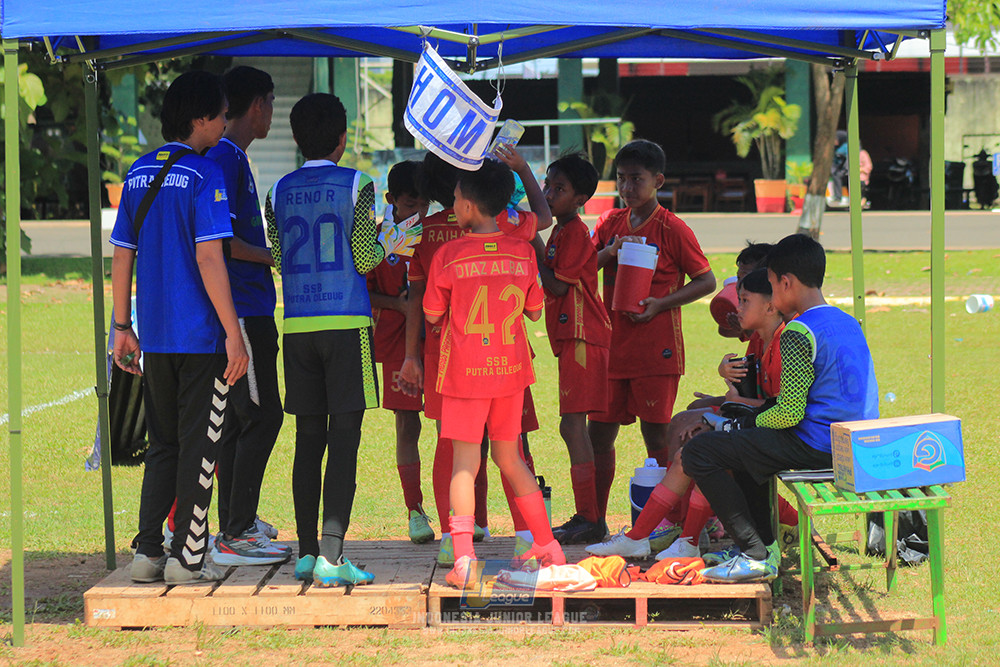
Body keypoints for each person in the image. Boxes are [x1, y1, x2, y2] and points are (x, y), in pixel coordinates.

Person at [265, 93, 410, 587]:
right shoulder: (359, 184)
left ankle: (307, 552)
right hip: (346, 324)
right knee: (344, 440)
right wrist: (390, 240)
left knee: (307, 440)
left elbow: (281, 259)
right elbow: (366, 259)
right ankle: (332, 554)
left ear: (296, 136)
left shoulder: (277, 190)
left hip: (298, 325)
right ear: (343, 136)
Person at [114, 70, 249, 584]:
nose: (225, 122)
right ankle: (187, 558)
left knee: (164, 444)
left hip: (156, 337)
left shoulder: (136, 173)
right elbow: (210, 257)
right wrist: (233, 333)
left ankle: (148, 552)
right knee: (201, 446)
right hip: (200, 337)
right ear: (200, 119)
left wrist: (121, 326)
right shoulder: (204, 172)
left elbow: (121, 252)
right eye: (221, 113)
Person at [682, 233, 879, 582]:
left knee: (700, 452)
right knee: (744, 445)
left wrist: (738, 424)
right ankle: (764, 546)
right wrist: (746, 422)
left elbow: (788, 413)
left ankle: (756, 553)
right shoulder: (846, 321)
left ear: (785, 283)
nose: (772, 294)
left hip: (819, 446)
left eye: (771, 286)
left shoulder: (798, 332)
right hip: (855, 442)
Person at [421, 159, 564, 588]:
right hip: (511, 372)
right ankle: (546, 545)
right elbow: (535, 309)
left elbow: (432, 313)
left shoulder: (447, 254)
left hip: (466, 374)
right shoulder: (522, 251)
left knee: (465, 464)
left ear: (465, 206)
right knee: (510, 458)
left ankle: (463, 558)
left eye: (456, 198)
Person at [586, 268, 788, 560]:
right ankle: (654, 537)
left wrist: (726, 413)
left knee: (701, 454)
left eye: (744, 301)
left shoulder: (785, 342)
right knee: (691, 448)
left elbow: (782, 410)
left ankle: (682, 538)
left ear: (771, 305)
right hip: (758, 427)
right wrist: (724, 408)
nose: (737, 307)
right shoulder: (765, 338)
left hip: (779, 438)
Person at [588, 139, 716, 523]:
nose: (628, 188)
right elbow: (583, 267)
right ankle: (594, 517)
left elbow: (706, 280)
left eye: (636, 179)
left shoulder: (673, 228)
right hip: (611, 347)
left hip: (656, 350)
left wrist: (661, 304)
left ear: (657, 180)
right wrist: (609, 251)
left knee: (657, 437)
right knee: (599, 435)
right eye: (622, 179)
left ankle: (666, 520)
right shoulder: (609, 223)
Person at [204, 65, 288, 566]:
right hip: (243, 311)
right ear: (257, 105)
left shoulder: (234, 157)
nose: (271, 113)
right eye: (271, 103)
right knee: (262, 414)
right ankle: (236, 532)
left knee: (240, 419)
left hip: (248, 307)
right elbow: (224, 243)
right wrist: (274, 255)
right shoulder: (227, 159)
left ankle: (238, 520)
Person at [533, 154, 612, 545]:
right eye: (547, 185)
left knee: (571, 426)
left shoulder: (575, 233)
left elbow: (559, 285)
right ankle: (590, 517)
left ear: (580, 198)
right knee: (574, 427)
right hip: (573, 338)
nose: (548, 194)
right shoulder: (564, 231)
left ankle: (590, 518)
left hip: (583, 337)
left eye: (558, 189)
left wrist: (529, 237)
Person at [366, 160, 433, 544]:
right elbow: (363, 291)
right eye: (409, 205)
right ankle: (415, 511)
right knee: (408, 425)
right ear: (390, 200)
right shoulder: (378, 240)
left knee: (451, 427)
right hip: (396, 345)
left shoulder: (435, 234)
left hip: (439, 342)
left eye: (423, 205)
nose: (417, 213)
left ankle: (465, 513)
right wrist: (399, 306)